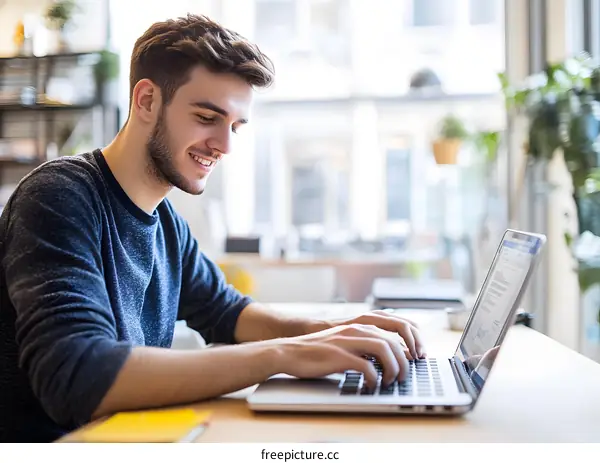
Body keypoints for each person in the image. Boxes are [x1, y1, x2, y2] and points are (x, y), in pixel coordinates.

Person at [0, 14, 425, 443]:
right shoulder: (58, 197)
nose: (225, 145)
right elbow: (77, 377)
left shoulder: (167, 225)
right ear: (146, 101)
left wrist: (337, 333)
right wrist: (283, 355)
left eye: (236, 126)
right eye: (207, 117)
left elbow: (228, 314)